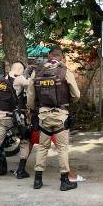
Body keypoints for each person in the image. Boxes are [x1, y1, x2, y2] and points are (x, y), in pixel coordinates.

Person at [28, 47, 80, 191]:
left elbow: (30, 97)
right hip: (60, 116)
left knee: (43, 147)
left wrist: (34, 109)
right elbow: (76, 95)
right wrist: (70, 102)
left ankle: (37, 181)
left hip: (43, 116)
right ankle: (64, 182)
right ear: (61, 58)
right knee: (62, 148)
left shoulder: (36, 72)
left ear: (49, 56)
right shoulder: (64, 71)